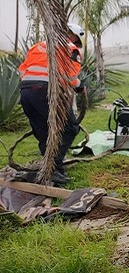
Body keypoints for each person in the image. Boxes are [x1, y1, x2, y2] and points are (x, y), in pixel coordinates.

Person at [18, 23, 86, 185]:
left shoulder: (38, 46)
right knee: (70, 127)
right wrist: (80, 87)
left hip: (26, 92)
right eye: (77, 42)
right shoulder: (70, 48)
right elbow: (70, 78)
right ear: (74, 36)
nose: (76, 45)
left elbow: (22, 71)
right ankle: (52, 168)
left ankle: (55, 169)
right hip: (46, 92)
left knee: (43, 131)